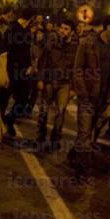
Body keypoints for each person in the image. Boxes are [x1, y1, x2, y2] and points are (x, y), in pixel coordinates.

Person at [70, 14, 110, 174]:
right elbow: (78, 68)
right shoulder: (88, 43)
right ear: (109, 27)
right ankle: (81, 168)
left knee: (91, 132)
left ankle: (75, 153)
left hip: (105, 99)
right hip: (88, 96)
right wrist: (82, 91)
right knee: (85, 132)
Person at [36, 19, 78, 151]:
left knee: (60, 112)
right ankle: (41, 136)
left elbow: (77, 68)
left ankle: (55, 139)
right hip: (49, 80)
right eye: (62, 28)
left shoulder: (76, 46)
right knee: (44, 110)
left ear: (71, 31)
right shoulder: (51, 42)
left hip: (64, 83)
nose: (62, 31)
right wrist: (41, 79)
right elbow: (43, 61)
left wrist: (74, 88)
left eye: (66, 29)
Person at [1, 8, 36, 137]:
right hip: (10, 69)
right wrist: (5, 69)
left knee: (22, 99)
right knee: (4, 98)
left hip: (23, 71)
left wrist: (29, 65)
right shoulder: (12, 29)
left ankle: (9, 119)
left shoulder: (27, 31)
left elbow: (27, 51)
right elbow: (6, 51)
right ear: (31, 18)